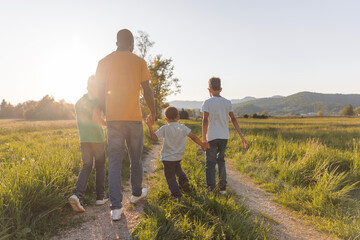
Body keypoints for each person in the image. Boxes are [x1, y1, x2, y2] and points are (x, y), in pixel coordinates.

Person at [95, 29, 156, 221]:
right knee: (135, 158)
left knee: (114, 161)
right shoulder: (139, 62)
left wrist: (98, 111)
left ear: (116, 42)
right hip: (134, 118)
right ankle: (136, 193)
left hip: (113, 119)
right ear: (131, 43)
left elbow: (99, 91)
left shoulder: (103, 62)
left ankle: (115, 208)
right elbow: (147, 89)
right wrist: (153, 112)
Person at [146, 106, 207, 198]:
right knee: (178, 170)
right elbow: (193, 137)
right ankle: (184, 182)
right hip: (178, 157)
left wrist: (149, 126)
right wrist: (202, 145)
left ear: (166, 119)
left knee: (170, 178)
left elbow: (153, 137)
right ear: (178, 117)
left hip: (167, 158)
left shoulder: (165, 128)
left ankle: (176, 194)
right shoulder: (183, 127)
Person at [201, 77, 248, 194]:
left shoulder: (207, 102)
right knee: (221, 161)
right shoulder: (227, 102)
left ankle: (210, 189)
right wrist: (241, 137)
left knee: (210, 163)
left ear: (209, 89)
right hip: (224, 137)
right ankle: (222, 189)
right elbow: (233, 119)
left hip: (211, 137)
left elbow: (205, 120)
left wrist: (203, 139)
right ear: (221, 89)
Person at [69, 75, 108, 212]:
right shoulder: (96, 100)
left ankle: (77, 195)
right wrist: (108, 124)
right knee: (100, 166)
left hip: (84, 139)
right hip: (97, 138)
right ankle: (100, 197)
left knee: (86, 166)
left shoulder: (79, 102)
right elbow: (95, 118)